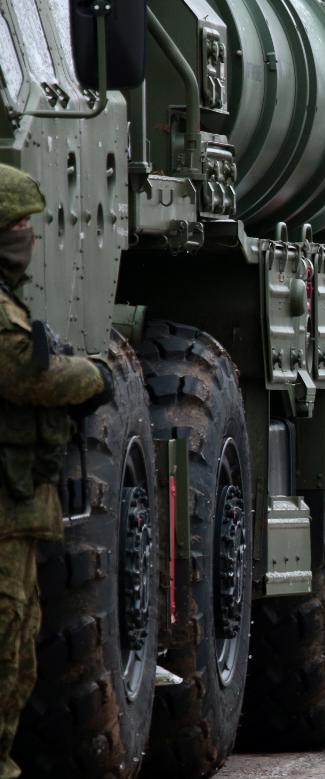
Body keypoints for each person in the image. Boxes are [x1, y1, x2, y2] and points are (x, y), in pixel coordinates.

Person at [0, 165, 113, 779]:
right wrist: (94, 376)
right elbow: (26, 373)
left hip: (16, 509)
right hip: (5, 510)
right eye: (19, 226)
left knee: (18, 649)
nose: (30, 238)